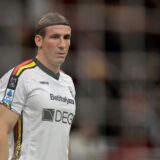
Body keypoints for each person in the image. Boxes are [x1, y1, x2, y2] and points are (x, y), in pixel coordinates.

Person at [0, 12, 76, 160]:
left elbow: (63, 138)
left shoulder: (68, 83)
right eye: (55, 37)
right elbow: (1, 127)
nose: (62, 44)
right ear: (38, 41)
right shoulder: (21, 75)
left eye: (66, 37)